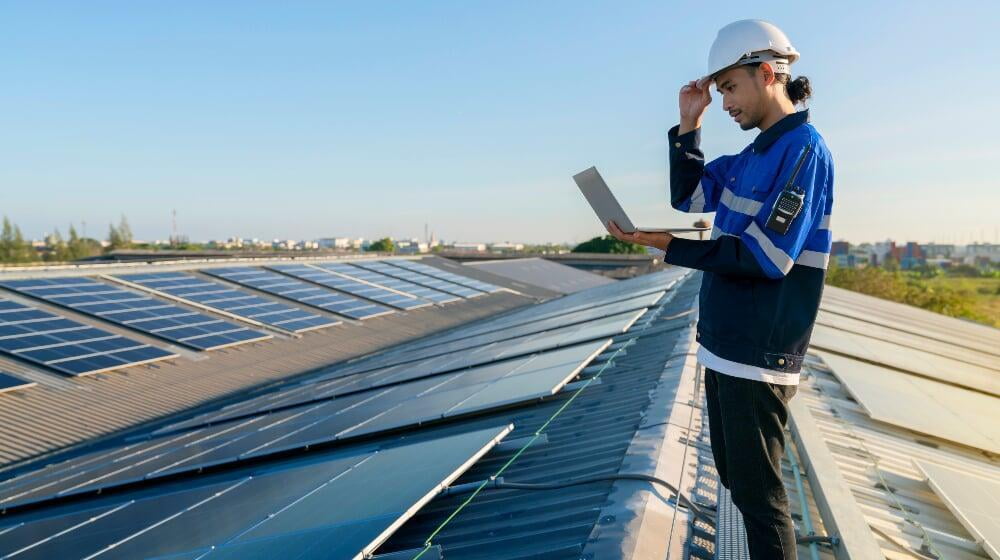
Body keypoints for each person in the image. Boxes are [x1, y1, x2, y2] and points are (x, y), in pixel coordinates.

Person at [605, 19, 833, 560]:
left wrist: (669, 246)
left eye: (729, 87)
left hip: (759, 350)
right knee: (735, 478)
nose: (724, 101)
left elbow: (767, 256)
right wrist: (689, 123)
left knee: (760, 497)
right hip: (725, 344)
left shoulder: (803, 151)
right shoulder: (751, 157)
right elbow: (689, 198)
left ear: (768, 73)